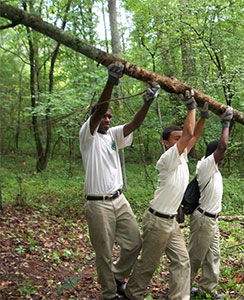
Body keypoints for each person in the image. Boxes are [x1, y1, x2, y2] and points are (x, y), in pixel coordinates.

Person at [79, 61, 160, 300]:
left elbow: (134, 124)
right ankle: (109, 293)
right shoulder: (88, 135)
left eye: (110, 117)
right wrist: (111, 81)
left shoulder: (113, 134)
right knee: (103, 252)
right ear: (95, 116)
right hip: (98, 203)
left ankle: (116, 276)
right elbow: (98, 112)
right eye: (104, 116)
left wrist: (147, 102)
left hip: (119, 199)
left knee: (134, 242)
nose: (107, 119)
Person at [124, 90, 209, 300]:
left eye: (181, 137)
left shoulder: (182, 155)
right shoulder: (167, 159)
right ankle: (132, 295)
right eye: (176, 138)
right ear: (166, 143)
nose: (182, 140)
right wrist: (191, 106)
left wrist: (204, 117)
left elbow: (194, 135)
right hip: (158, 221)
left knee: (181, 260)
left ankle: (178, 297)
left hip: (171, 221)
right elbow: (189, 135)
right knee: (149, 264)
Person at [188, 107, 233, 299]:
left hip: (212, 220)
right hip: (203, 219)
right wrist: (226, 123)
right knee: (195, 257)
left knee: (213, 256)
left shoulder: (215, 169)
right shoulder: (205, 165)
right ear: (213, 154)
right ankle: (183, 288)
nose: (222, 157)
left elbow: (222, 148)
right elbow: (222, 146)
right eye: (219, 155)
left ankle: (207, 289)